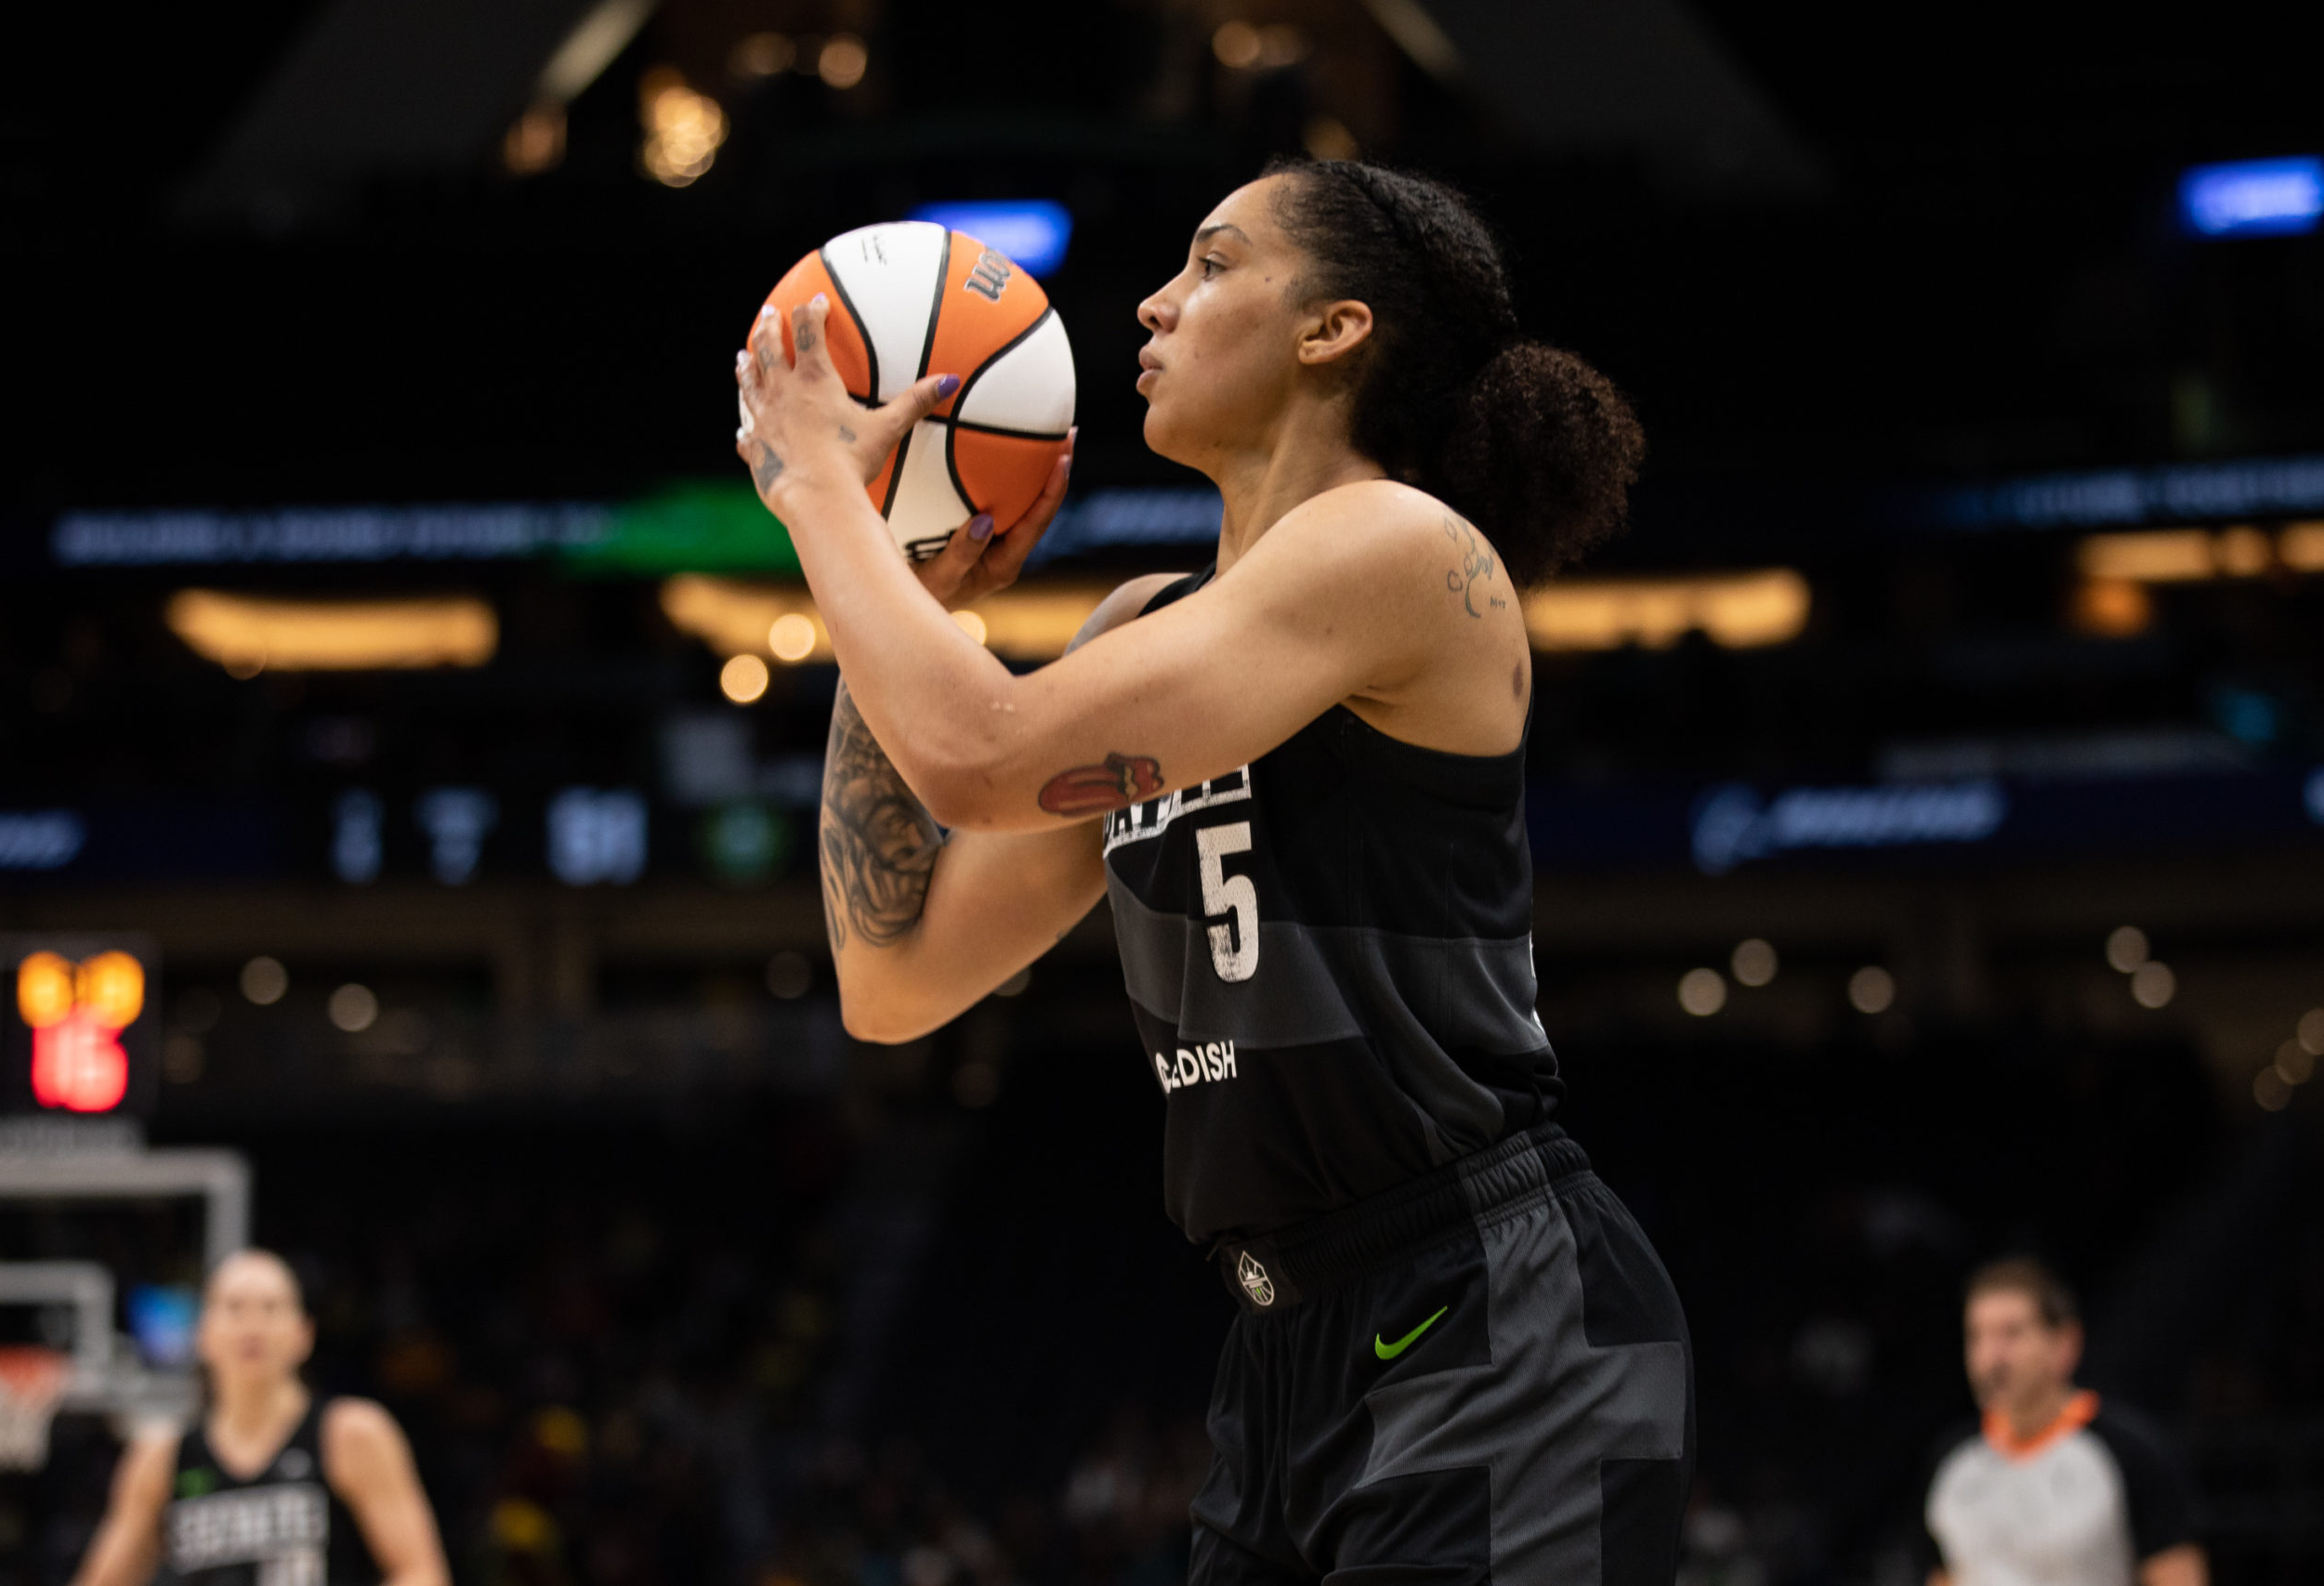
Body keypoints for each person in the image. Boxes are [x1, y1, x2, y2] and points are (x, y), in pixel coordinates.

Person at [737, 157, 1690, 1583]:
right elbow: (896, 977)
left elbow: (979, 754)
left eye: (1213, 262)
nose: (1155, 301)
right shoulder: (1142, 620)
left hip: (1494, 1301)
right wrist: (907, 585)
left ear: (1334, 328)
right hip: (1285, 1334)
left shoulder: (1399, 545)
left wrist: (825, 495)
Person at [70, 1249, 449, 1586]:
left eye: (271, 1308)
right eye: (234, 1308)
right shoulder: (162, 1456)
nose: (253, 1326)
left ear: (303, 1334)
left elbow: (422, 1573)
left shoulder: (351, 1433)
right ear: (203, 1334)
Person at [1925, 1258, 2205, 1586]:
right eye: (1977, 1336)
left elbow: (2178, 1575)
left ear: (2065, 1343)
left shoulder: (2129, 1452)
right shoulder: (1951, 1460)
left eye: (2011, 1334)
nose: (1992, 1357)